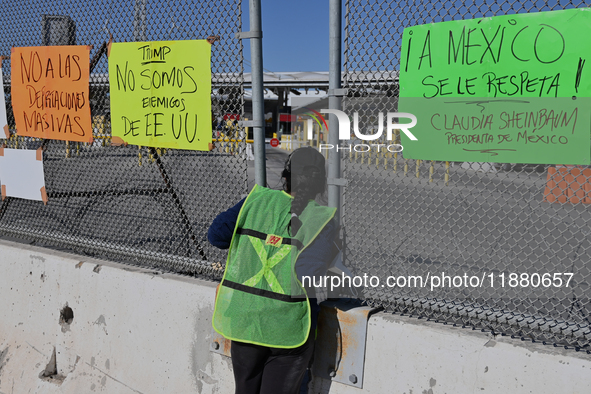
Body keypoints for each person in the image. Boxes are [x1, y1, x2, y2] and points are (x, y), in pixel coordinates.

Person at [208, 147, 337, 394]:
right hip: (288, 328)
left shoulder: (255, 200)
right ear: (320, 184)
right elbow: (309, 273)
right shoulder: (321, 218)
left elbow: (216, 236)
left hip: (245, 319)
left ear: (285, 176)